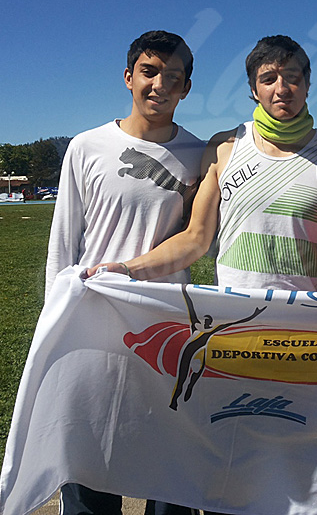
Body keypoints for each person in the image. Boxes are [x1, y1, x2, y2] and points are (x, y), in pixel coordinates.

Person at [88, 37, 317, 515]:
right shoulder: (224, 148)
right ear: (253, 89)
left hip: (301, 339)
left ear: (307, 85)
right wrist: (128, 269)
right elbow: (195, 239)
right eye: (269, 79)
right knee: (227, 466)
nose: (281, 88)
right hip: (232, 336)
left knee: (296, 466)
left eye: (292, 78)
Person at [45, 30, 206, 515]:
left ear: (186, 87)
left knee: (171, 464)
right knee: (89, 457)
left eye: (173, 77)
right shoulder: (87, 146)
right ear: (128, 77)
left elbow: (200, 238)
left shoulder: (201, 156)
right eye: (149, 72)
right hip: (93, 321)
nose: (159, 85)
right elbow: (63, 243)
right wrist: (54, 320)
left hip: (165, 324)